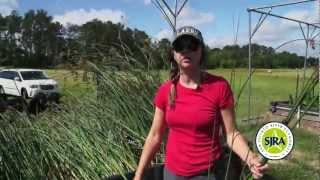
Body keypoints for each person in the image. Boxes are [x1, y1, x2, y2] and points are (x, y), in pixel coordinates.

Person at [133, 26, 269, 180]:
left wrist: (250, 158)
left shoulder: (219, 86)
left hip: (206, 174)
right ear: (173, 53)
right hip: (171, 173)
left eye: (191, 45)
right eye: (180, 46)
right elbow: (155, 136)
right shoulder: (165, 91)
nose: (185, 50)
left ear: (201, 51)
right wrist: (138, 175)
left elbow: (231, 134)